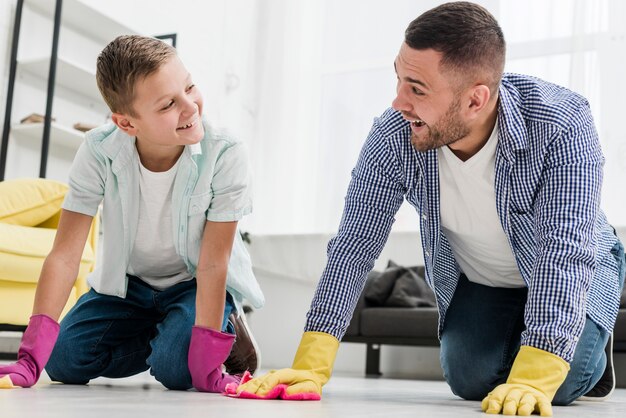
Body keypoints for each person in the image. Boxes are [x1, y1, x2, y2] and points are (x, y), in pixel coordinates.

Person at [231, 2, 625, 416]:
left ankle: (589, 342)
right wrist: (312, 363)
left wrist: (536, 373)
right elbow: (354, 244)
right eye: (399, 79)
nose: (399, 101)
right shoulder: (395, 133)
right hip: (484, 278)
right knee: (470, 380)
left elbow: (564, 250)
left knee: (557, 385)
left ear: (475, 100)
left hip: (573, 266)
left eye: (416, 89)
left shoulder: (562, 123)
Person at [0, 35, 264, 392]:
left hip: (193, 284)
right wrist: (30, 358)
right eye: (169, 103)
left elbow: (214, 263)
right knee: (63, 361)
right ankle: (170, 336)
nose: (191, 107)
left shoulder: (226, 153)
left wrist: (203, 359)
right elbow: (65, 255)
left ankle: (214, 330)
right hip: (128, 288)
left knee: (176, 371)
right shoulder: (98, 151)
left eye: (190, 88)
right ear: (126, 123)